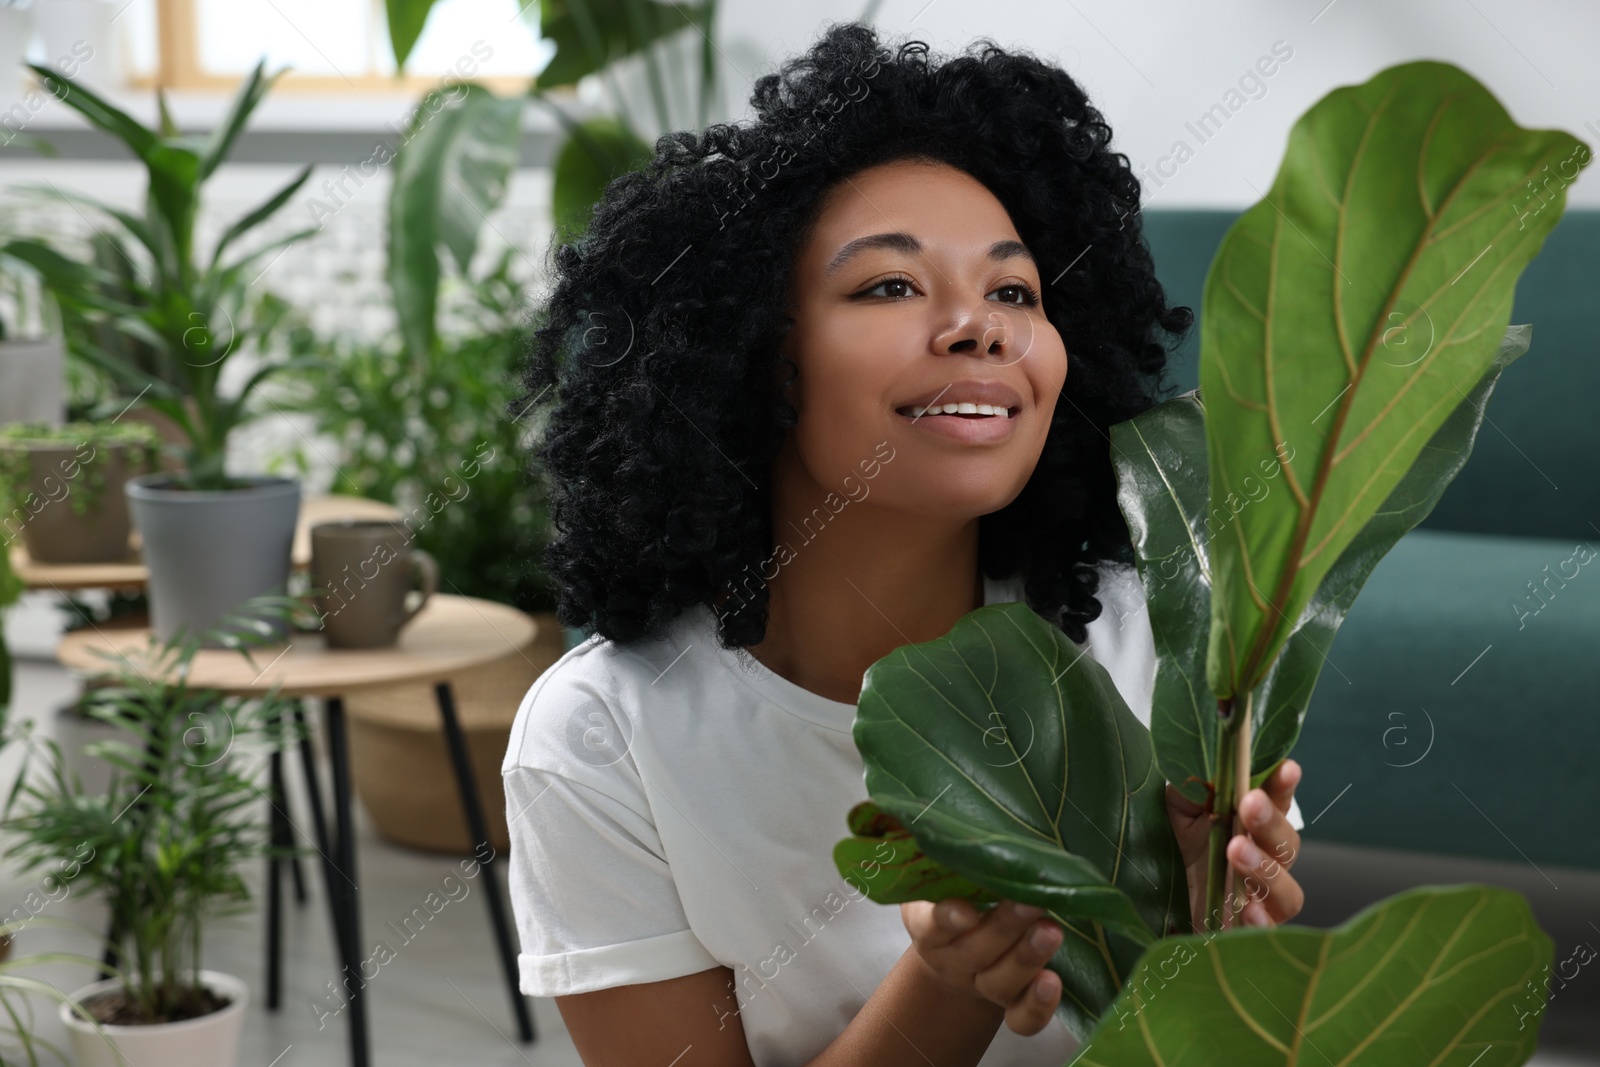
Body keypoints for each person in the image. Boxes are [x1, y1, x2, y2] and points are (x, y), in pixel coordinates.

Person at [501, 20, 1305, 1067]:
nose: (982, 326)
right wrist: (946, 984)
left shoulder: (1154, 637)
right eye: (889, 285)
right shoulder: (600, 739)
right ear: (750, 352)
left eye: (1015, 290)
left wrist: (1200, 931)